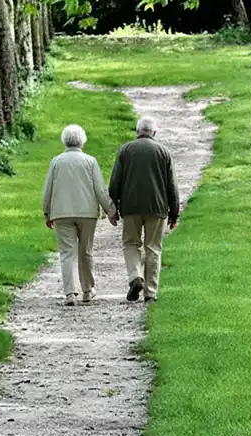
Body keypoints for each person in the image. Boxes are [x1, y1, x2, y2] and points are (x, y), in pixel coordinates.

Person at [42, 124, 118, 306]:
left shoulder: (56, 162)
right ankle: (87, 290)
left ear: (64, 141)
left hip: (61, 212)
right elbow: (100, 189)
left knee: (67, 253)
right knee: (86, 252)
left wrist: (47, 212)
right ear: (82, 141)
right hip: (87, 213)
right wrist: (111, 210)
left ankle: (70, 293)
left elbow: (48, 190)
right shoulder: (90, 161)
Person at [109, 116, 179, 303]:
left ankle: (135, 277)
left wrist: (113, 207)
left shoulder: (125, 150)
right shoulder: (163, 152)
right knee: (153, 248)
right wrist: (174, 212)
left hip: (130, 207)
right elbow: (171, 185)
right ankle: (150, 292)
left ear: (137, 131)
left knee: (131, 243)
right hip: (157, 208)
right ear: (154, 133)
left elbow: (115, 182)